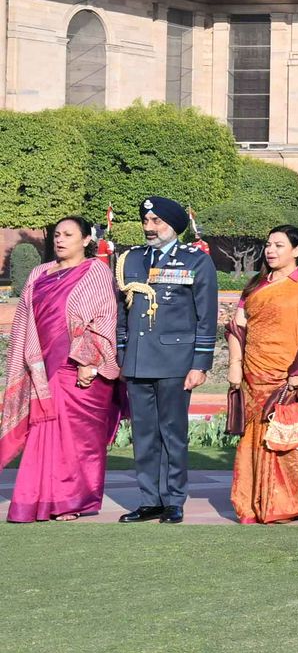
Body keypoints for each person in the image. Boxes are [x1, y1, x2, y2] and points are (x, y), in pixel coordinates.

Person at [2, 215, 120, 522]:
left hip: (78, 368)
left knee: (76, 439)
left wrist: (89, 362)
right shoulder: (39, 273)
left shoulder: (95, 271)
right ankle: (38, 500)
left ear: (86, 240)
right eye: (57, 234)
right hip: (42, 367)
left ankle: (71, 501)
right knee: (44, 434)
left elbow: (104, 317)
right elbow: (24, 321)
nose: (60, 239)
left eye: (68, 234)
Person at [113, 195, 218, 524]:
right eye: (146, 221)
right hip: (138, 360)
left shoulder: (195, 261)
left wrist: (200, 363)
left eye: (156, 222)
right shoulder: (130, 259)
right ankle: (150, 500)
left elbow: (206, 316)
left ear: (174, 226)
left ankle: (173, 500)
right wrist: (122, 355)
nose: (149, 227)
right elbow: (121, 313)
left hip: (175, 361)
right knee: (144, 435)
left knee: (172, 433)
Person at [227, 226, 298, 524]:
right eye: (268, 245)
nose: (270, 250)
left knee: (287, 438)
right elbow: (237, 326)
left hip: (290, 376)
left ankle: (287, 504)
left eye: (279, 245)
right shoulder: (256, 285)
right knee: (256, 438)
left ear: (297, 250)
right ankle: (255, 504)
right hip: (254, 374)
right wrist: (235, 364)